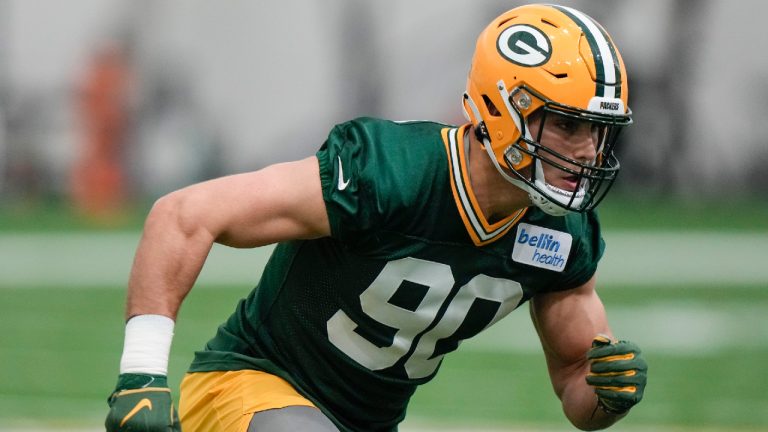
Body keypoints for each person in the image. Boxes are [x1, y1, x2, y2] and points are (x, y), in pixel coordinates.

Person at [105, 4, 647, 432]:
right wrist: (141, 374)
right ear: (505, 112)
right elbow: (184, 215)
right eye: (568, 126)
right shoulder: (390, 172)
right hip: (251, 383)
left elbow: (576, 382)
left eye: (600, 132)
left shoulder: (562, 231)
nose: (587, 153)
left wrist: (607, 396)